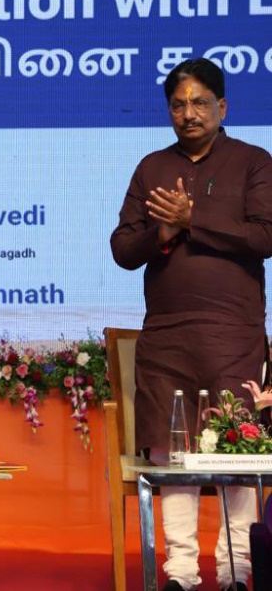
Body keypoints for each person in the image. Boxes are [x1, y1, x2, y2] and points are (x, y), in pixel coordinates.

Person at [110, 57, 272, 591]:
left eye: (200, 102)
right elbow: (121, 249)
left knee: (237, 448)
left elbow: (264, 238)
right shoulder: (151, 168)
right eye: (178, 104)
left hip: (233, 335)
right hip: (167, 337)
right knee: (172, 452)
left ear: (222, 107)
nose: (189, 113)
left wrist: (192, 220)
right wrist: (160, 233)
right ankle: (179, 573)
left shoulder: (253, 162)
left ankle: (234, 573)